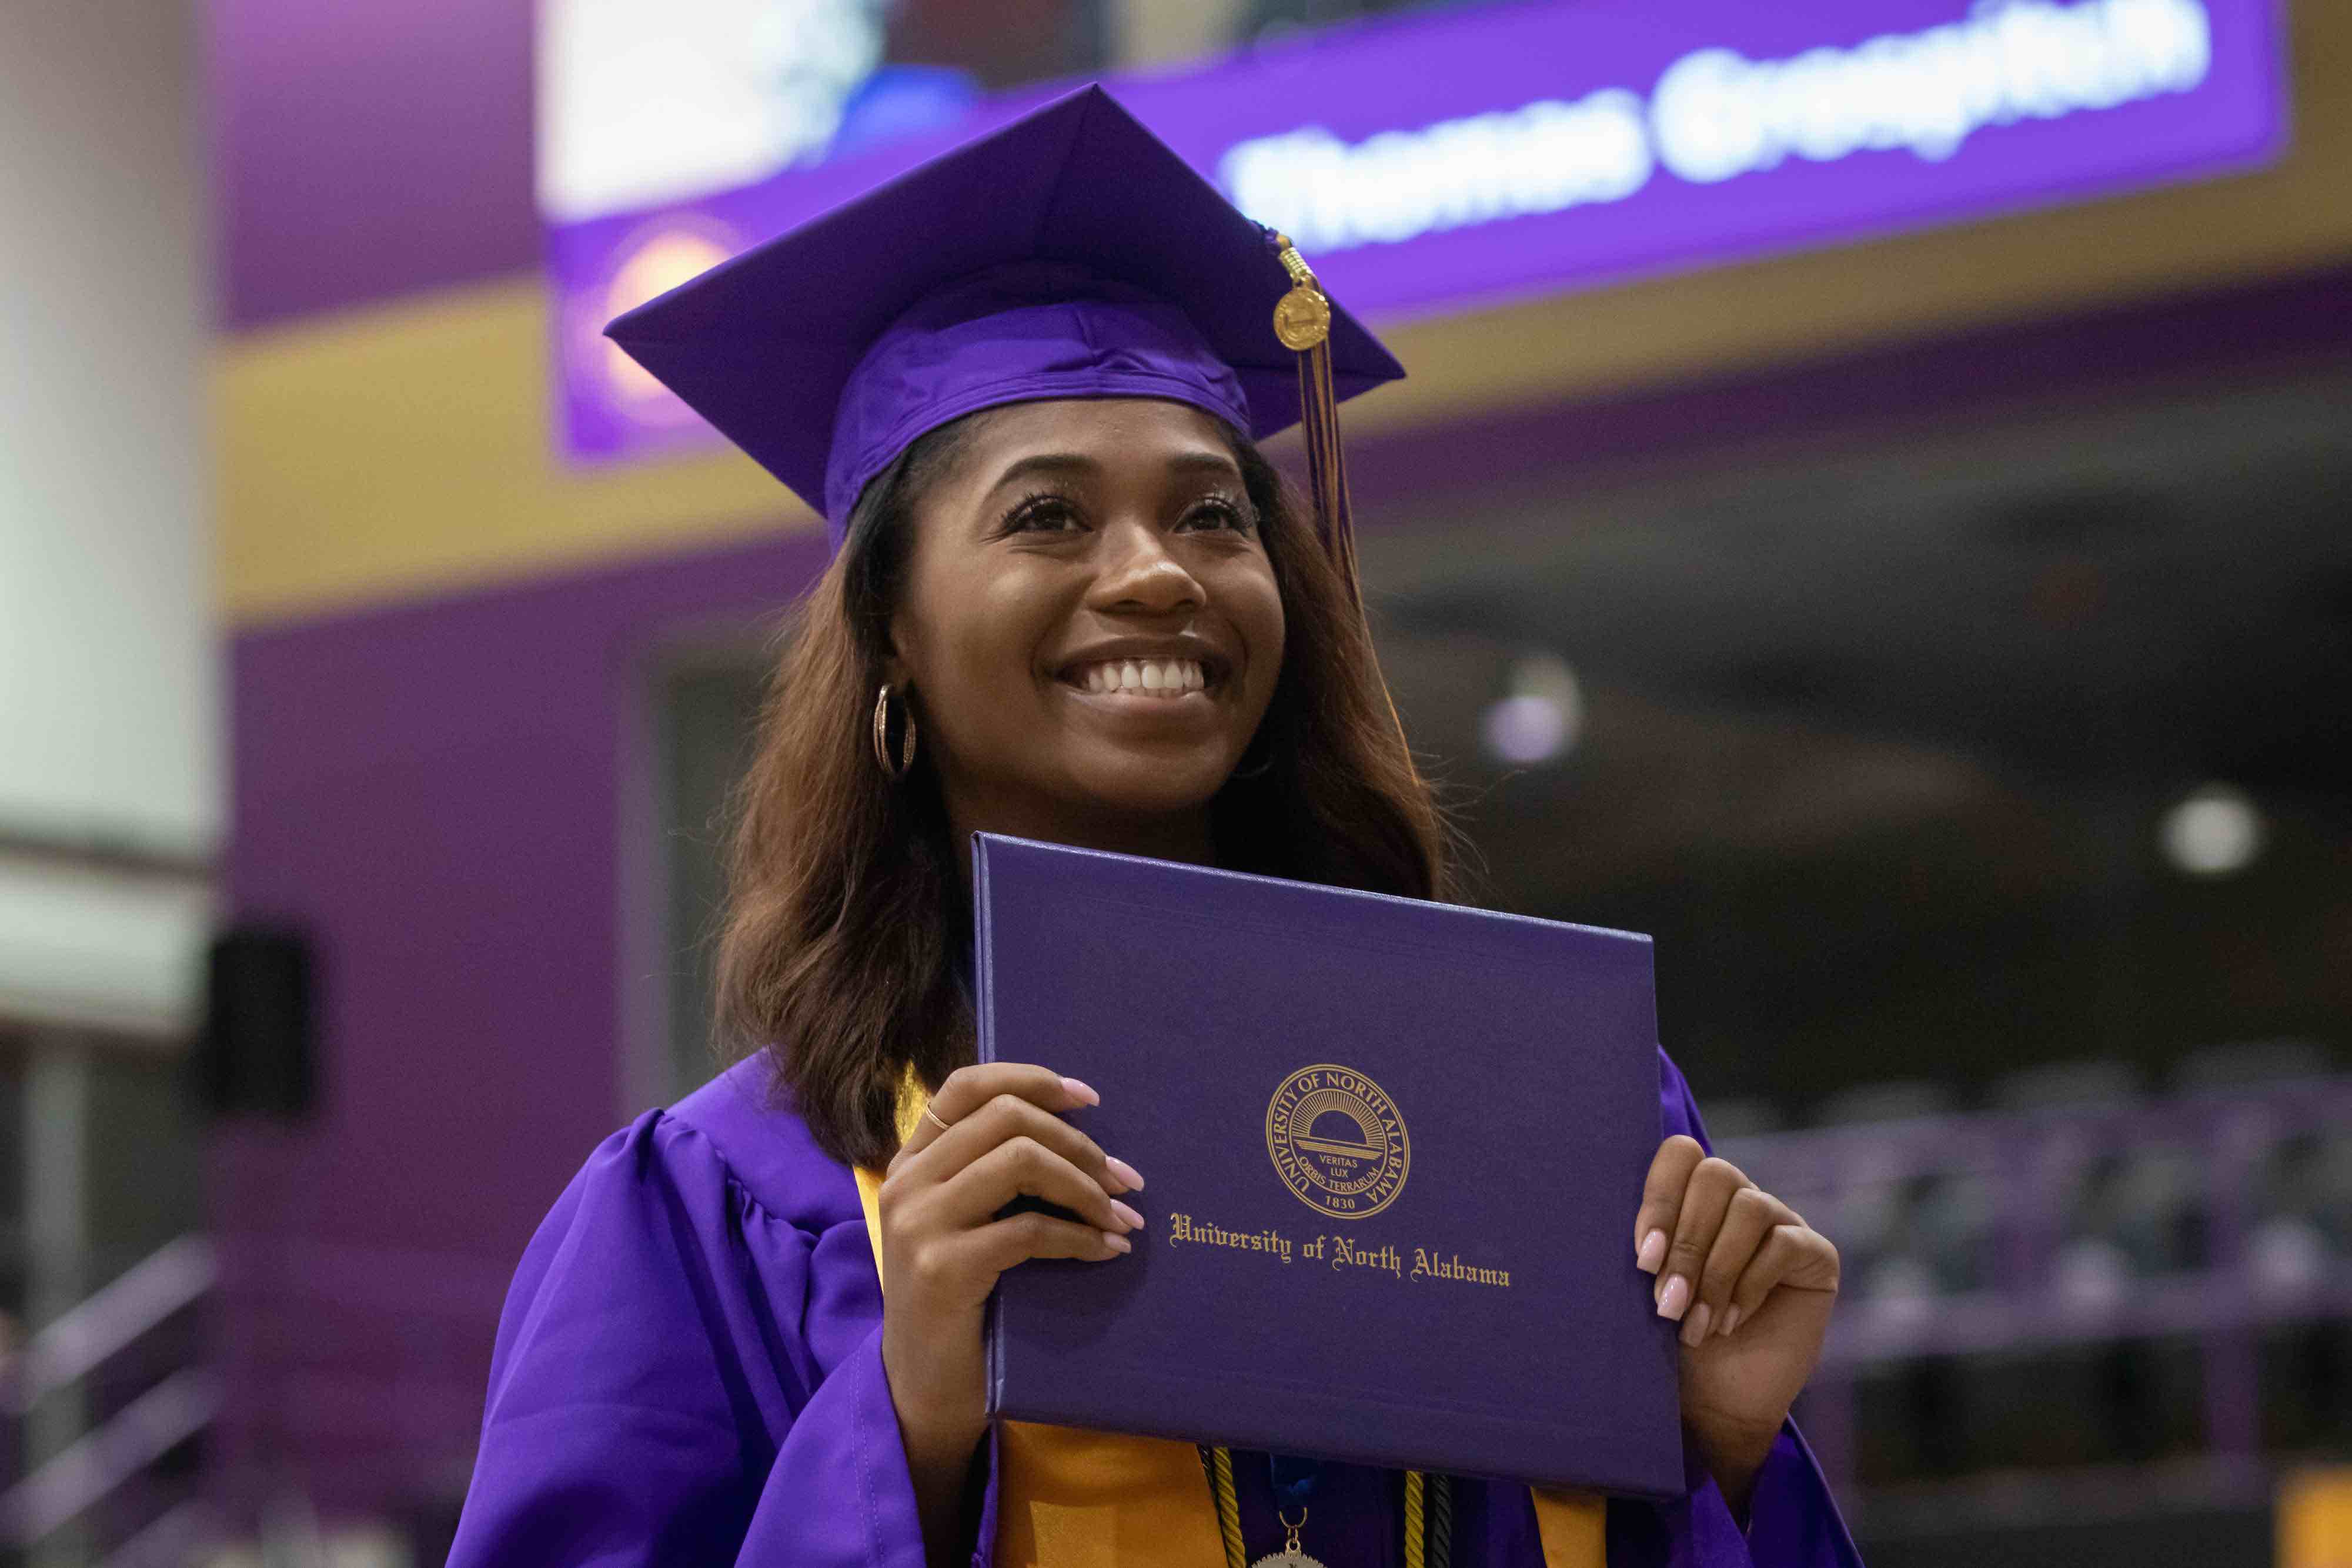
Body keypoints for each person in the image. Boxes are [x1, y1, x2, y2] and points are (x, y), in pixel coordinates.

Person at [448, 86, 1862, 1568]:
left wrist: (1718, 1455)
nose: (1156, 574)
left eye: (1212, 516)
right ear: (891, 637)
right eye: (1046, 516)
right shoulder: (721, 1206)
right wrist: (909, 1417)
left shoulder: (1551, 1118)